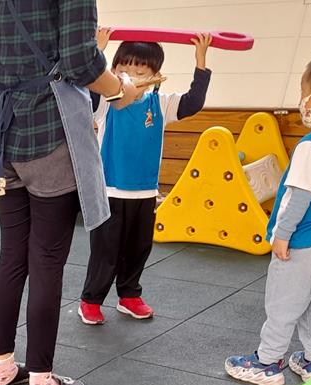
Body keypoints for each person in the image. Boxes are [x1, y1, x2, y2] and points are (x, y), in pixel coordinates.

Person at [0, 0, 139, 385]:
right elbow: (81, 61)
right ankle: (42, 383)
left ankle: (1, 368)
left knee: (11, 256)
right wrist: (121, 90)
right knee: (47, 261)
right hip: (47, 130)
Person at [79, 31, 212, 325]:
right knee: (105, 251)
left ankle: (129, 295)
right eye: (122, 70)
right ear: (113, 72)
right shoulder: (106, 103)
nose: (130, 77)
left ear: (154, 77)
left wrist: (200, 61)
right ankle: (91, 300)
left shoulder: (160, 104)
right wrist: (97, 51)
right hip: (110, 191)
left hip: (145, 192)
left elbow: (193, 102)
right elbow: (89, 92)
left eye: (140, 73)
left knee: (138, 248)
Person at [225, 49, 311, 385]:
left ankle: (267, 362)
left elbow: (298, 196)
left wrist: (282, 235)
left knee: (284, 304)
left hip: (302, 243)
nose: (303, 101)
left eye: (304, 93)